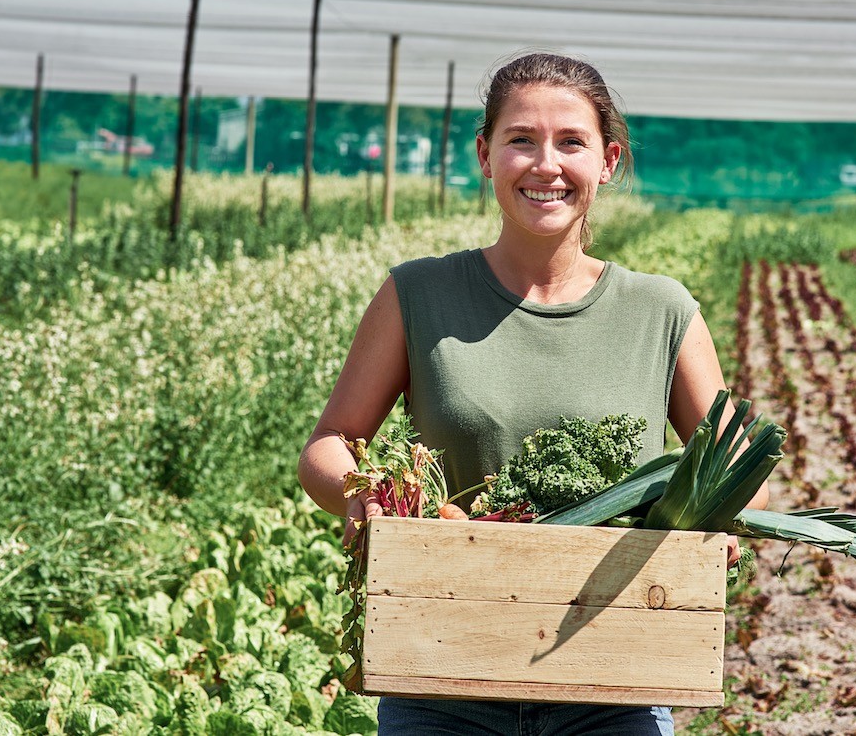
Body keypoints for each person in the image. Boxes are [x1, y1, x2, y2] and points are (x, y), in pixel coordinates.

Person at [296, 53, 766, 736]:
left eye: (570, 142)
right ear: (485, 156)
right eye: (521, 139)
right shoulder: (417, 294)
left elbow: (735, 466)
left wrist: (715, 516)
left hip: (614, 677)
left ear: (607, 161)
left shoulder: (661, 310)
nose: (545, 164)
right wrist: (361, 493)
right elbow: (328, 442)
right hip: (440, 670)